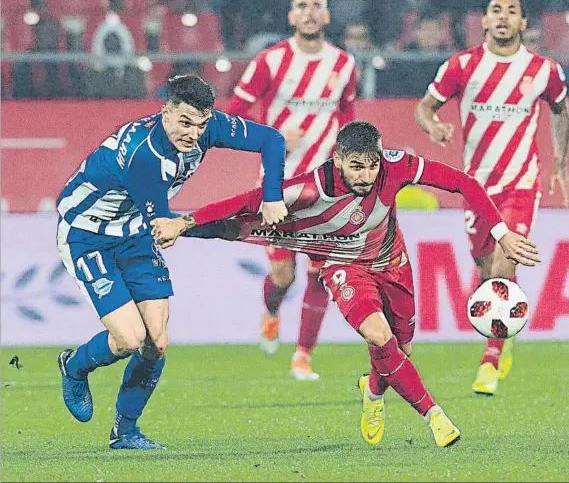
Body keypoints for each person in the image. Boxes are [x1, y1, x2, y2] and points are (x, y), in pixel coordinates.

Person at [150, 121, 541, 447]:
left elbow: (462, 183)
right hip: (342, 267)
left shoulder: (397, 166)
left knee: (400, 350)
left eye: (371, 167)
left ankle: (371, 391)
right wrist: (184, 223)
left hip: (393, 265)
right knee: (378, 334)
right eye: (355, 167)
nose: (365, 177)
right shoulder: (310, 188)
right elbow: (244, 203)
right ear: (338, 160)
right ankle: (434, 416)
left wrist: (503, 233)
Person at [56, 74, 287, 450]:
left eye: (200, 124)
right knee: (130, 338)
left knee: (157, 343)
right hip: (89, 235)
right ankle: (74, 366)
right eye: (184, 122)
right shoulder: (144, 155)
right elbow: (166, 228)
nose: (193, 134)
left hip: (133, 232)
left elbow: (271, 140)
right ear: (165, 112)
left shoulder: (207, 127)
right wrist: (230, 230)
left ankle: (125, 432)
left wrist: (272, 195)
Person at [415, 0, 569, 395]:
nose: (503, 17)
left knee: (503, 262)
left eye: (512, 11)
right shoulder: (462, 66)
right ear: (483, 21)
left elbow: (560, 109)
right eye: (496, 10)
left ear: (523, 24)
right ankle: (508, 329)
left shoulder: (543, 70)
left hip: (522, 182)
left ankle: (490, 359)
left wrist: (559, 163)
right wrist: (432, 126)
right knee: (487, 272)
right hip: (476, 187)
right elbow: (425, 107)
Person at [226, 0, 357, 380]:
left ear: (327, 14)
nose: (310, 12)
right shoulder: (269, 61)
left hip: (327, 189)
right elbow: (233, 115)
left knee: (321, 273)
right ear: (291, 15)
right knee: (285, 276)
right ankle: (271, 313)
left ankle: (302, 355)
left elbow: (347, 116)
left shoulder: (344, 64)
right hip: (278, 187)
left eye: (317, 4)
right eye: (302, 5)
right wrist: (272, 136)